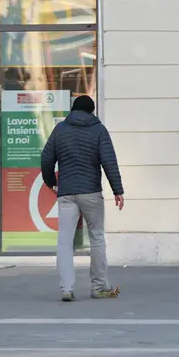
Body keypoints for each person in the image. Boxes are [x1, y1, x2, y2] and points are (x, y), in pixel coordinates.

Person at [41, 95, 124, 302]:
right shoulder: (99, 130)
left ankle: (67, 289)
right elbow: (109, 161)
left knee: (64, 242)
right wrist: (117, 190)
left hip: (67, 193)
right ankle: (99, 287)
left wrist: (51, 182)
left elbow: (46, 157)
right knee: (96, 237)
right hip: (91, 193)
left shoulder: (60, 129)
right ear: (92, 111)